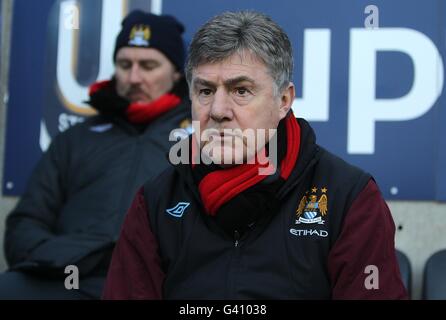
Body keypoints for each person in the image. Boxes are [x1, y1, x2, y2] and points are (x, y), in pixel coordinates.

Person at [103, 11, 408, 299]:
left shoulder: (349, 197)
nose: (219, 111)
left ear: (283, 100)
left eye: (241, 91)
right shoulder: (157, 201)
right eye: (206, 91)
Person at [0, 10, 190, 299]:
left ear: (176, 71)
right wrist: (61, 258)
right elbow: (25, 223)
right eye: (125, 64)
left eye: (149, 65)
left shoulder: (202, 140)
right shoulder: (77, 138)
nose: (134, 77)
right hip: (71, 278)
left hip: (155, 284)